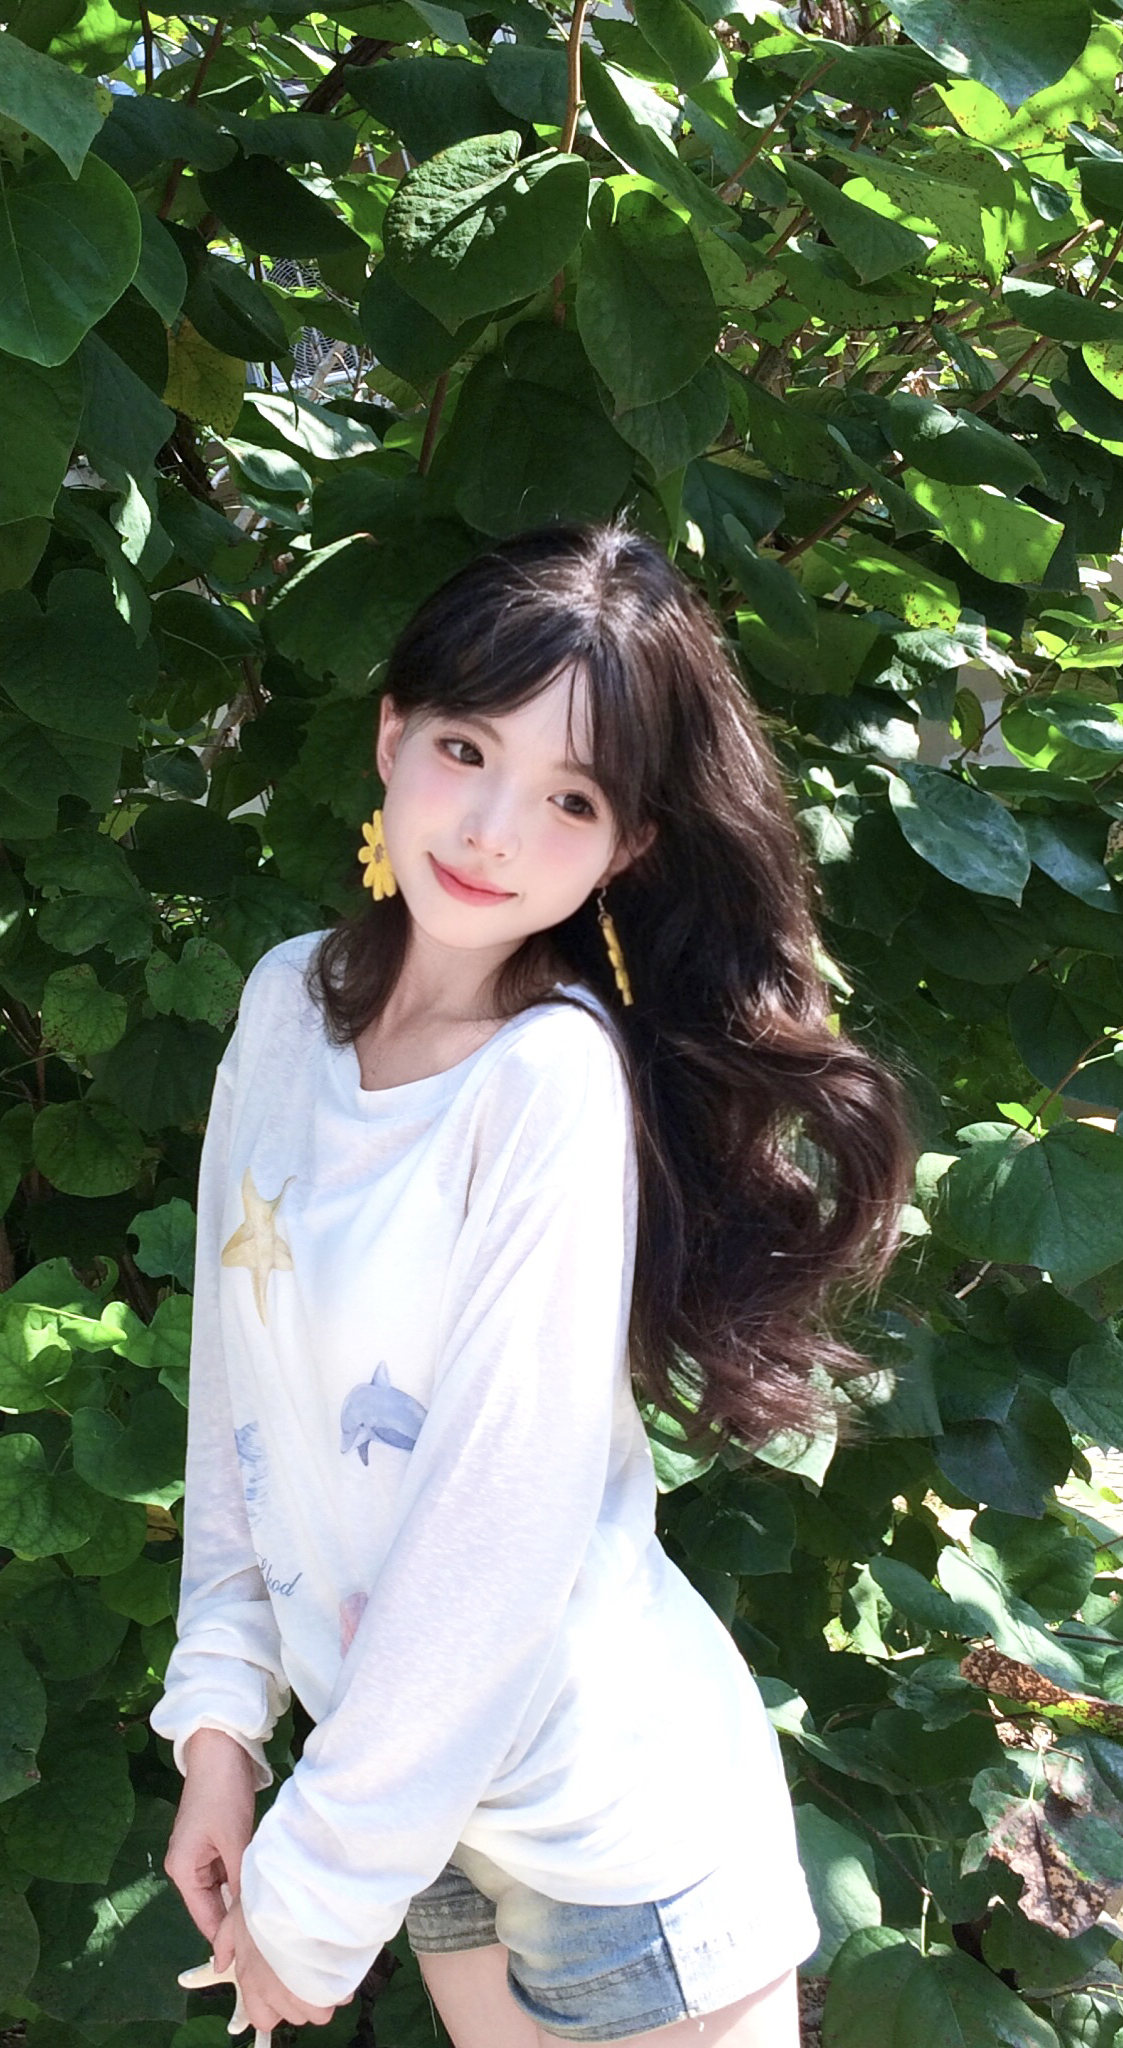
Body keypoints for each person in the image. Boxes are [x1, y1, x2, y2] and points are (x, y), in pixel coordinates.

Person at [154, 517, 918, 2046]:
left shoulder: (546, 1082)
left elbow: (498, 1528)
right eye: (464, 749)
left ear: (628, 847)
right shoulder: (286, 1007)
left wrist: (313, 1893)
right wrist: (221, 1724)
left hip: (608, 1822)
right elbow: (239, 1400)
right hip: (417, 1800)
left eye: (569, 797)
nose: (493, 828)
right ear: (391, 737)